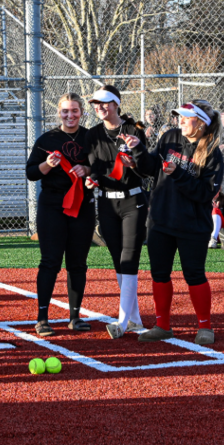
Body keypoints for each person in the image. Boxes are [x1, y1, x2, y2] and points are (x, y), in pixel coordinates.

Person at [124, 100, 224, 345]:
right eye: (179, 116)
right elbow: (151, 169)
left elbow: (204, 193)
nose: (180, 120)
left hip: (193, 225)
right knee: (159, 274)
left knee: (194, 275)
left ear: (200, 123)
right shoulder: (169, 137)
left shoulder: (212, 152)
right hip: (160, 219)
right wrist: (136, 153)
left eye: (186, 116)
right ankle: (162, 326)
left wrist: (177, 172)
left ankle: (205, 327)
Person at [80, 87, 149, 339]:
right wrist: (91, 178)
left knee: (130, 258)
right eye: (96, 103)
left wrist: (136, 162)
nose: (100, 107)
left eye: (105, 103)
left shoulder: (134, 131)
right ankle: (134, 318)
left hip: (133, 201)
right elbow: (94, 166)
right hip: (107, 203)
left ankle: (121, 321)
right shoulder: (93, 134)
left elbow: (146, 170)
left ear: (116, 104)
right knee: (118, 260)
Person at [25, 93, 94, 337]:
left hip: (82, 206)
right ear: (59, 113)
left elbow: (102, 167)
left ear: (82, 111)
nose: (70, 115)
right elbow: (32, 173)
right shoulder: (47, 139)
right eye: (65, 111)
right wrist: (48, 165)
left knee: (77, 263)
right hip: (52, 206)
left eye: (74, 110)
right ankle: (42, 318)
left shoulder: (91, 137)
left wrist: (86, 169)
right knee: (50, 261)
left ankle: (74, 316)